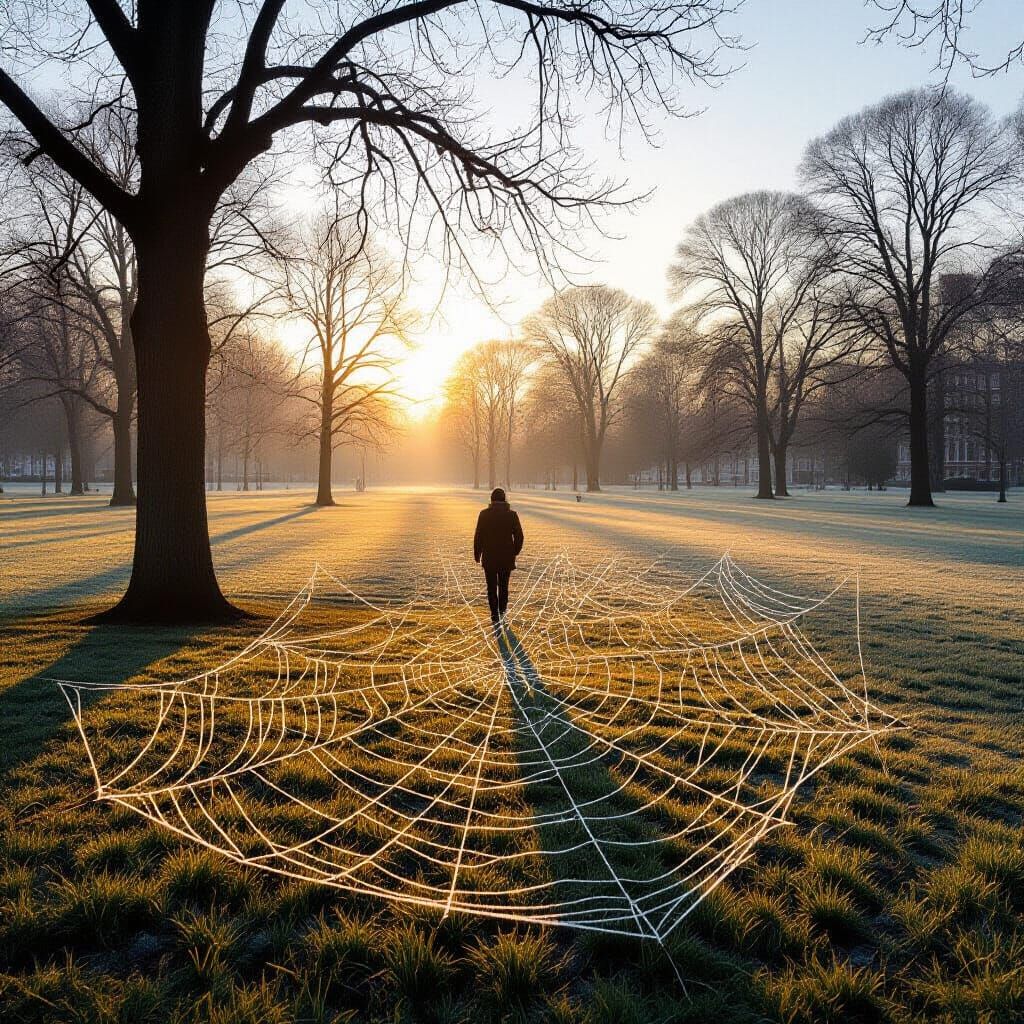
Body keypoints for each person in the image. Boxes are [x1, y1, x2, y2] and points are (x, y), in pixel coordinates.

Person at [473, 487, 524, 626]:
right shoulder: (512, 515)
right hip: (506, 558)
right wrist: (514, 552)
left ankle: (494, 614)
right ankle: (502, 610)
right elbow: (519, 537)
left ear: (491, 500)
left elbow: (479, 536)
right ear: (504, 499)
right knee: (503, 586)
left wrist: (477, 553)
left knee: (491, 586)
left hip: (489, 557)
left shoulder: (484, 514)